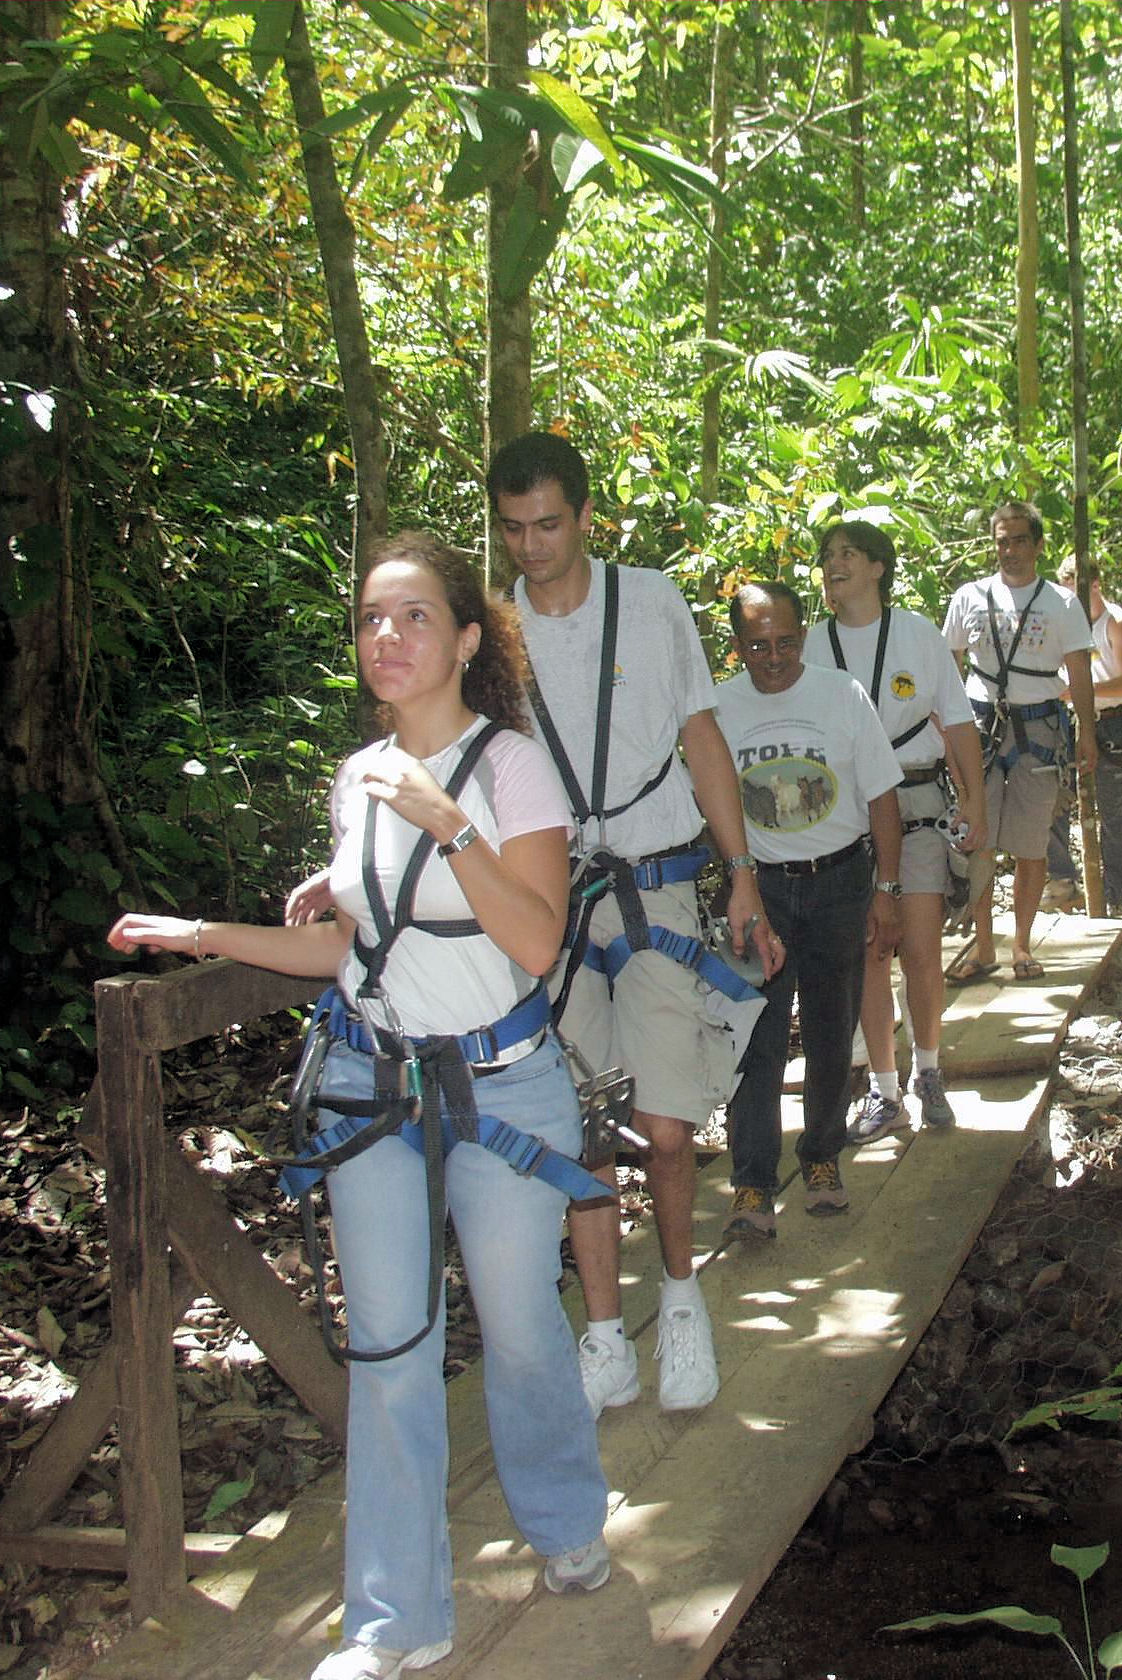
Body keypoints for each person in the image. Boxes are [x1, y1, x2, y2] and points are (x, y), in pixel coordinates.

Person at [111, 536, 610, 1680]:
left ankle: (565, 1519)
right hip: (371, 1087)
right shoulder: (355, 775)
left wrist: (448, 825)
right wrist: (196, 936)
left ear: (467, 639)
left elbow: (535, 945)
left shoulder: (509, 770)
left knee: (522, 1328)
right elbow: (344, 946)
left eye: (414, 618)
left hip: (500, 1088)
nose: (386, 639)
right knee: (388, 1347)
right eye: (371, 622)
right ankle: (393, 1619)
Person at [486, 432, 779, 1417]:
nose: (530, 546)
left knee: (662, 1121)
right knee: (580, 1125)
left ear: (583, 516)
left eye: (548, 525)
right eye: (513, 529)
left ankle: (683, 1300)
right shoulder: (494, 635)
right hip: (551, 906)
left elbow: (701, 737)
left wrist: (739, 875)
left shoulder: (647, 602)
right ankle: (604, 1332)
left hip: (654, 891)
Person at [715, 581, 903, 1239]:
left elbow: (881, 795)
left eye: (787, 642)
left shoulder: (840, 695)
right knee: (757, 1041)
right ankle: (752, 1184)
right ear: (737, 645)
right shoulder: (716, 708)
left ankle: (822, 1158)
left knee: (831, 1030)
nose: (774, 657)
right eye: (759, 644)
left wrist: (889, 890)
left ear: (805, 634)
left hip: (841, 884)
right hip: (759, 892)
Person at [804, 521, 987, 1137]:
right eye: (828, 557)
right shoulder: (811, 643)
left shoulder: (916, 633)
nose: (834, 565)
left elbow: (958, 721)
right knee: (869, 955)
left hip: (917, 805)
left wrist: (976, 806)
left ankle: (928, 1071)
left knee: (922, 950)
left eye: (847, 555)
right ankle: (885, 1091)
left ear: (878, 568)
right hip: (845, 815)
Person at [942, 500, 1096, 983]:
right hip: (979, 729)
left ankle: (1023, 944)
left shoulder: (1062, 603)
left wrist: (1088, 733)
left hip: (1040, 730)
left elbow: (1080, 672)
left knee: (1031, 845)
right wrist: (942, 729)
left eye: (1019, 540)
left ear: (1038, 545)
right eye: (1001, 541)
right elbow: (947, 665)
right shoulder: (970, 596)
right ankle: (984, 945)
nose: (1009, 550)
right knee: (978, 841)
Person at [1044, 553, 1122, 916]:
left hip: (1111, 722)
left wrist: (1082, 692)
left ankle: (1114, 894)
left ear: (1094, 585)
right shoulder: (1066, 624)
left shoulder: (1115, 623)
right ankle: (1064, 881)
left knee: (1113, 813)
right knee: (1055, 800)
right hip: (1069, 722)